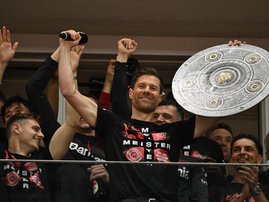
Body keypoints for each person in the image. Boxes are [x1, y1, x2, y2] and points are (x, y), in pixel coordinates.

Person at [58, 31, 217, 201]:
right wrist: (64, 48)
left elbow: (216, 112)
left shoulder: (173, 131)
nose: (147, 90)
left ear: (160, 97)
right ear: (131, 93)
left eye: (153, 88)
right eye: (142, 86)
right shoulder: (113, 124)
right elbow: (69, 91)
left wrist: (233, 61)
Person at [25, 43, 110, 202]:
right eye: (78, 109)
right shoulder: (58, 134)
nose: (82, 113)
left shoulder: (110, 144)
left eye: (87, 110)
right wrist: (64, 58)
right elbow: (33, 89)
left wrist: (109, 180)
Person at [0, 113, 56, 202]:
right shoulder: (2, 153)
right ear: (16, 129)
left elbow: (70, 124)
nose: (42, 135)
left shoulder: (43, 157)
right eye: (36, 129)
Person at [212, 134, 268, 202]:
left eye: (248, 149)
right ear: (232, 159)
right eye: (236, 150)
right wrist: (242, 196)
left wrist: (255, 188)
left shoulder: (267, 188)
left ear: (259, 159)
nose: (242, 152)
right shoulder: (218, 188)